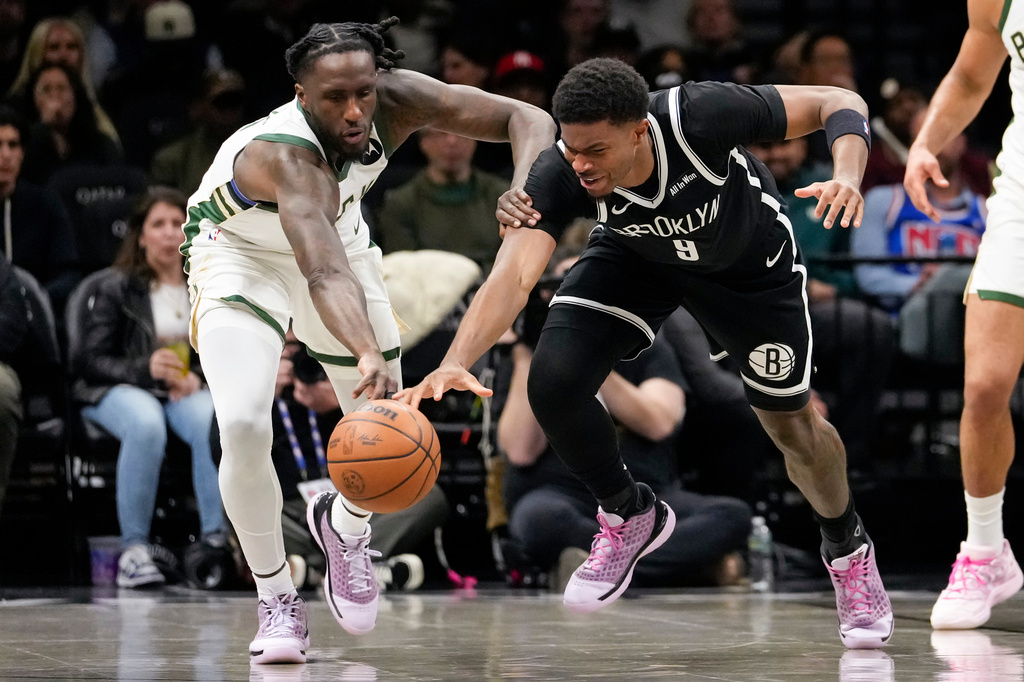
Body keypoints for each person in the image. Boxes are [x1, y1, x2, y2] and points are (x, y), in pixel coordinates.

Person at [399, 57, 893, 648]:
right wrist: (456, 359)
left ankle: (848, 549)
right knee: (552, 381)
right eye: (572, 149)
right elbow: (513, 276)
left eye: (596, 151)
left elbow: (838, 100)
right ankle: (629, 513)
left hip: (748, 274)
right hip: (641, 258)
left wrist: (847, 173)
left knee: (793, 429)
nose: (581, 164)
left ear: (639, 131)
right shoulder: (560, 170)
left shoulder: (698, 114)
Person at [180, 18, 554, 664]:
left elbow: (530, 119)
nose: (355, 112)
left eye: (364, 93)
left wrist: (521, 186)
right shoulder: (284, 157)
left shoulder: (396, 98)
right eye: (335, 98)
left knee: (383, 421)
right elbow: (322, 273)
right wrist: (365, 350)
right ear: (301, 96)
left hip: (341, 238)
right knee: (241, 423)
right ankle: (276, 597)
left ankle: (346, 530)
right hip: (239, 253)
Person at [500, 252, 751, 592]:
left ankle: (600, 570)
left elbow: (660, 422)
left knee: (731, 516)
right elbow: (520, 450)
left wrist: (588, 358)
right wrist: (532, 355)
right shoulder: (528, 354)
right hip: (563, 495)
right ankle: (685, 570)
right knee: (539, 520)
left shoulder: (647, 346)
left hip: (645, 496)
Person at [903, 0, 1024, 630]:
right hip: (1020, 204)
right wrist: (925, 142)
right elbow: (974, 75)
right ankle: (984, 551)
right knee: (983, 386)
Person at [69, 186, 226, 589]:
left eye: (177, 223)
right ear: (141, 236)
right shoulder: (115, 287)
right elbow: (88, 361)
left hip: (180, 392)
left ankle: (216, 543)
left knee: (212, 418)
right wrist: (145, 369)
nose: (170, 232)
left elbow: (226, 350)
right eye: (159, 224)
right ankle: (134, 551)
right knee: (146, 422)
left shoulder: (206, 284)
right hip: (118, 388)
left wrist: (199, 377)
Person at [747, 135, 895, 471]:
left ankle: (850, 454)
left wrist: (832, 286)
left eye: (784, 144)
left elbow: (857, 271)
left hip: (815, 308)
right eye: (765, 145)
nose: (775, 153)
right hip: (750, 309)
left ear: (803, 145)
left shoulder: (832, 187)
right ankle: (761, 464)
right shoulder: (732, 187)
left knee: (870, 326)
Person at [374, 128, 509, 271]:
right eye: (440, 133)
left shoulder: (502, 196)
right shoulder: (401, 203)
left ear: (475, 140)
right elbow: (401, 267)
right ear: (423, 142)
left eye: (462, 133)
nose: (452, 142)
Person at [0, 104, 78, 313]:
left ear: (22, 153)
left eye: (13, 145)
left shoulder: (45, 204)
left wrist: (30, 300)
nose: (5, 155)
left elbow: (67, 274)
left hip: (33, 315)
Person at [150, 68, 248, 196]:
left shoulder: (263, 147)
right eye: (221, 102)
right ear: (201, 106)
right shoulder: (173, 160)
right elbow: (160, 204)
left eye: (235, 101)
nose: (229, 111)